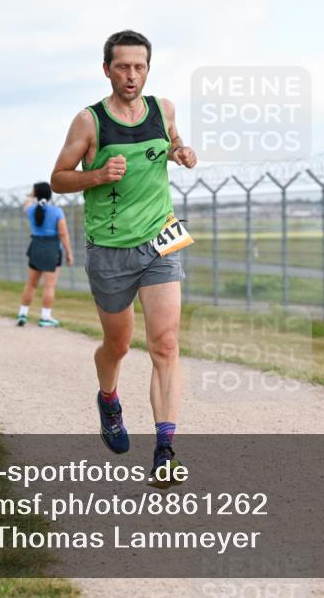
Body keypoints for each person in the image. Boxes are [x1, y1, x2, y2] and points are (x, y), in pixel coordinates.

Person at [51, 30, 197, 489]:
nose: (131, 75)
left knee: (165, 344)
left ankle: (165, 451)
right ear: (106, 70)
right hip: (110, 251)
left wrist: (180, 150)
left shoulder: (163, 109)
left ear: (148, 69)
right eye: (122, 67)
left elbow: (172, 139)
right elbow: (58, 178)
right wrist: (96, 175)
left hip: (160, 240)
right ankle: (109, 399)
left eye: (139, 67)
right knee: (117, 344)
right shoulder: (89, 122)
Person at [18, 182, 72, 327]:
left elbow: (27, 204)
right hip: (52, 250)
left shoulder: (31, 210)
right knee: (49, 286)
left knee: (31, 284)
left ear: (35, 194)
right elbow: (63, 233)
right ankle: (45, 317)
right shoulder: (57, 211)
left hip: (36, 247)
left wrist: (32, 195)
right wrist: (69, 253)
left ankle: (22, 314)